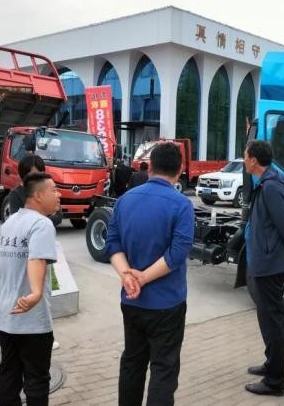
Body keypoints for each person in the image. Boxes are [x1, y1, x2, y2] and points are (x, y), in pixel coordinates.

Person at [105, 142, 194, 406]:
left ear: (150, 167)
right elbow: (177, 253)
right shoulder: (181, 205)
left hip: (131, 301)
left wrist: (128, 277)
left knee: (132, 363)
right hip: (167, 304)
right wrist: (141, 278)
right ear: (179, 170)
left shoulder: (124, 200)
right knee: (163, 370)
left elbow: (113, 244)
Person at [0, 172, 61, 406]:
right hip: (31, 317)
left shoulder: (9, 222)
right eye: (54, 190)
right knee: (37, 379)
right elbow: (37, 259)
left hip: (5, 313)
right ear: (38, 196)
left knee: (8, 373)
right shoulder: (42, 224)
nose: (59, 194)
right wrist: (36, 293)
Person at [0, 155, 61, 357]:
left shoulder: (43, 213)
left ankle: (40, 332)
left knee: (32, 296)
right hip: (19, 256)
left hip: (36, 250)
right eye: (33, 175)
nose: (57, 194)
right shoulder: (19, 200)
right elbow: (35, 258)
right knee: (14, 294)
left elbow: (58, 216)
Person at [243, 140, 284, 397]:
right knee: (267, 318)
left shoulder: (271, 186)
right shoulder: (266, 183)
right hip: (264, 259)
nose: (244, 160)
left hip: (269, 262)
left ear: (254, 160)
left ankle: (275, 380)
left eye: (245, 156)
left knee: (273, 320)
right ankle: (271, 363)